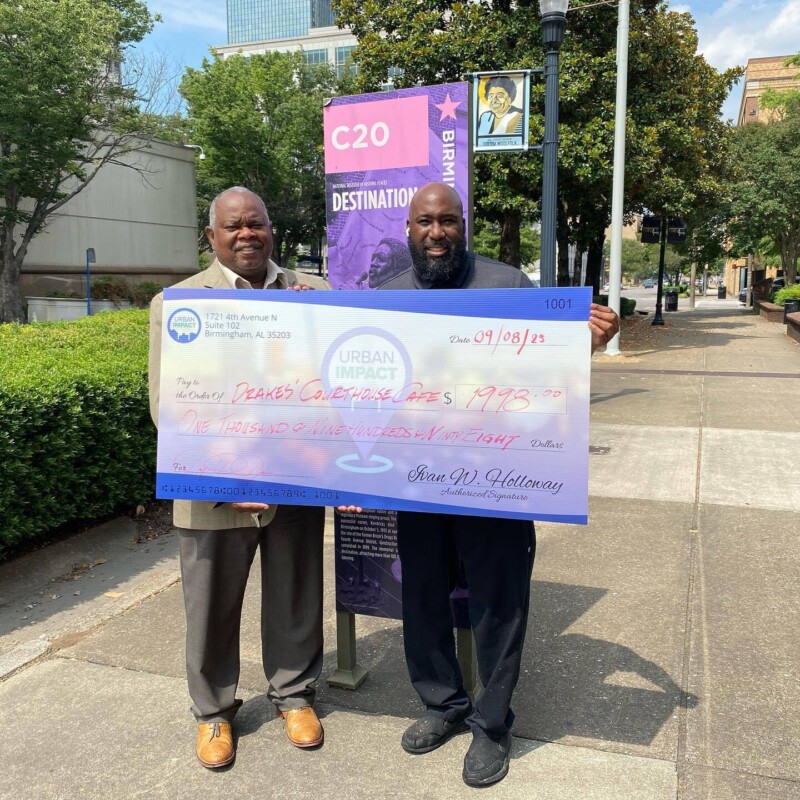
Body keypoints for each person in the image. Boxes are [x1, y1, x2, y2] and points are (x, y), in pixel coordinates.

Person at [378, 182, 620, 787]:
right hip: (418, 484)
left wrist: (587, 343)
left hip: (498, 481)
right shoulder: (385, 297)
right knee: (423, 600)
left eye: (448, 222)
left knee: (497, 605)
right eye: (425, 223)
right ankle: (442, 706)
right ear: (409, 230)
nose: (437, 233)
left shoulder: (510, 286)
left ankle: (492, 724)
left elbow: (548, 373)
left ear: (465, 225)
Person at [148, 187, 330, 769]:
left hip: (297, 477)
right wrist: (233, 474)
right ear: (212, 237)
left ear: (271, 229)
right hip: (214, 489)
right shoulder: (176, 303)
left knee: (296, 589)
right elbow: (167, 406)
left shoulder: (317, 295)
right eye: (234, 227)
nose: (246, 234)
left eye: (256, 224)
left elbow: (341, 389)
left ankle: (295, 694)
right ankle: (212, 713)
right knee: (209, 604)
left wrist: (316, 326)